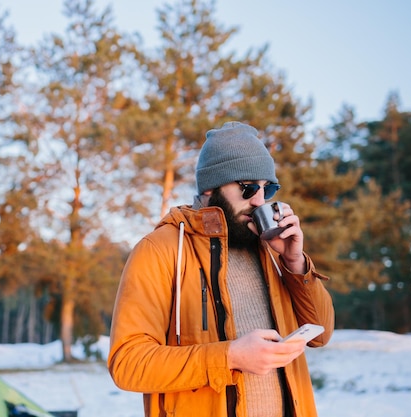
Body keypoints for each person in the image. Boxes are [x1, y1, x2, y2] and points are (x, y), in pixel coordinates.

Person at [107, 121, 334, 417]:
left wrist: (295, 263)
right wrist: (229, 356)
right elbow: (128, 364)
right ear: (211, 187)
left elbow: (321, 334)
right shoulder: (161, 249)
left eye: (268, 188)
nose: (259, 201)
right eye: (248, 187)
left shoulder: (271, 248)